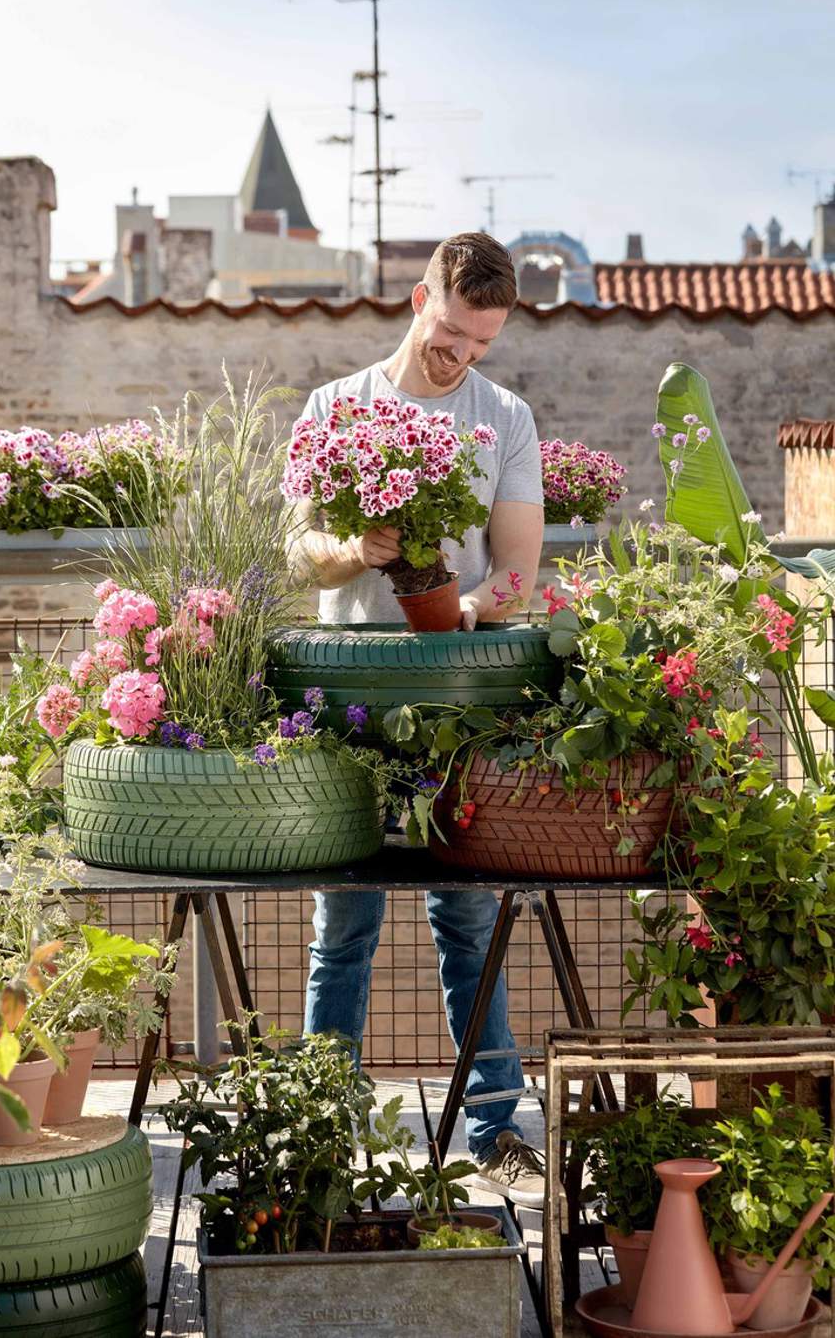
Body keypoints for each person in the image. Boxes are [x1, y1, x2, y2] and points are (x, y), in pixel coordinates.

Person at [284, 231, 545, 1189]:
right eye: (451, 334)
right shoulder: (335, 409)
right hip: (348, 699)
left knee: (468, 917)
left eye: (481, 344)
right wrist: (359, 545)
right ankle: (320, 1123)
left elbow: (516, 562)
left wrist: (477, 603)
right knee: (341, 924)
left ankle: (492, 1131)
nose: (462, 358)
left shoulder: (503, 417)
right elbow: (300, 552)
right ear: (416, 297)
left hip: (453, 702)